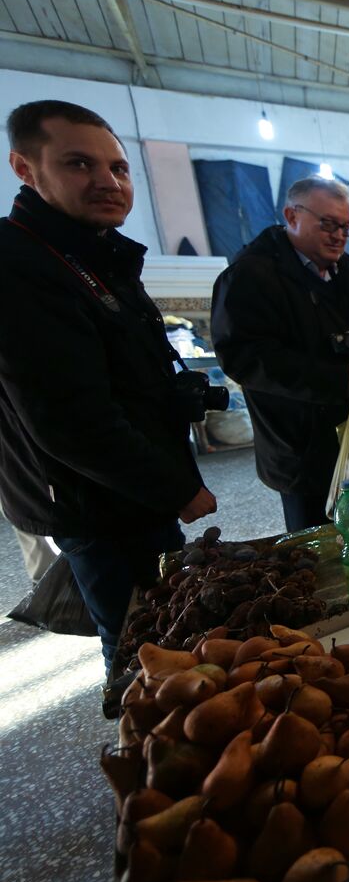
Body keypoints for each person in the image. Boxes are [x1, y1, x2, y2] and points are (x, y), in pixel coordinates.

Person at [0, 100, 216, 670]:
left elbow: (115, 373)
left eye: (118, 168)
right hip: (96, 505)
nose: (107, 181)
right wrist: (175, 487)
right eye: (79, 165)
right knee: (139, 645)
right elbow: (71, 420)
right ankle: (146, 749)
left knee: (170, 626)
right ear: (25, 168)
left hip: (132, 495)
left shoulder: (92, 254)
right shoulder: (20, 263)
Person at [211, 177, 349, 533]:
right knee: (328, 558)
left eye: (345, 227)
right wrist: (336, 380)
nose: (338, 235)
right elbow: (246, 358)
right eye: (327, 224)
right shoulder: (251, 277)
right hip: (306, 456)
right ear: (292, 215)